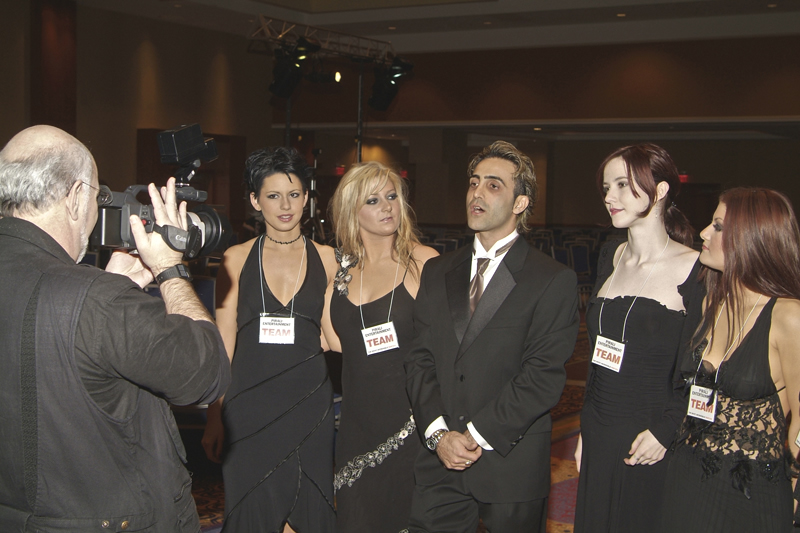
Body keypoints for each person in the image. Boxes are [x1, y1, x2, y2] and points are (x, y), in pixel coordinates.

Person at [0, 125, 230, 532]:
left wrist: (111, 287)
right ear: (75, 197)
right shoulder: (95, 299)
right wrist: (170, 270)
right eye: (96, 195)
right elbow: (207, 374)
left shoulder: (93, 296)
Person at [404, 140, 580, 533]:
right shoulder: (438, 272)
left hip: (509, 465)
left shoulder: (551, 280)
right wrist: (439, 435)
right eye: (473, 182)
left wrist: (474, 435)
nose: (477, 193)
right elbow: (419, 359)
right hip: (440, 465)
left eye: (493, 185)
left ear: (521, 203)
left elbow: (542, 377)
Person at [200, 147, 338, 533]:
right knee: (250, 515)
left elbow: (333, 336)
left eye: (294, 194)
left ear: (307, 198)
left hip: (308, 404)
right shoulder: (235, 258)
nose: (285, 206)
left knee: (308, 515)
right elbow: (223, 342)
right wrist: (214, 415)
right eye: (273, 195)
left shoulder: (329, 259)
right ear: (255, 200)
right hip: (248, 408)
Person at [573, 144, 703, 532]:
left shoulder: (695, 268)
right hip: (599, 426)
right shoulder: (611, 255)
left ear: (660, 191)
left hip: (651, 433)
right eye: (606, 187)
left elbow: (703, 368)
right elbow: (597, 356)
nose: (609, 197)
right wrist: (583, 430)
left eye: (622, 185)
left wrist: (667, 431)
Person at [661, 187, 800, 532]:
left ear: (753, 238)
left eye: (719, 226)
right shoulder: (711, 302)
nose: (704, 232)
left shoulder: (788, 316)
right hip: (687, 477)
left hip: (751, 493)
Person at [320, 161, 438, 533]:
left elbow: (450, 350)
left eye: (392, 197)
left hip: (414, 427)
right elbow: (330, 343)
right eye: (373, 200)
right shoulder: (339, 276)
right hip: (356, 428)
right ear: (351, 210)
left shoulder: (423, 262)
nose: (387, 206)